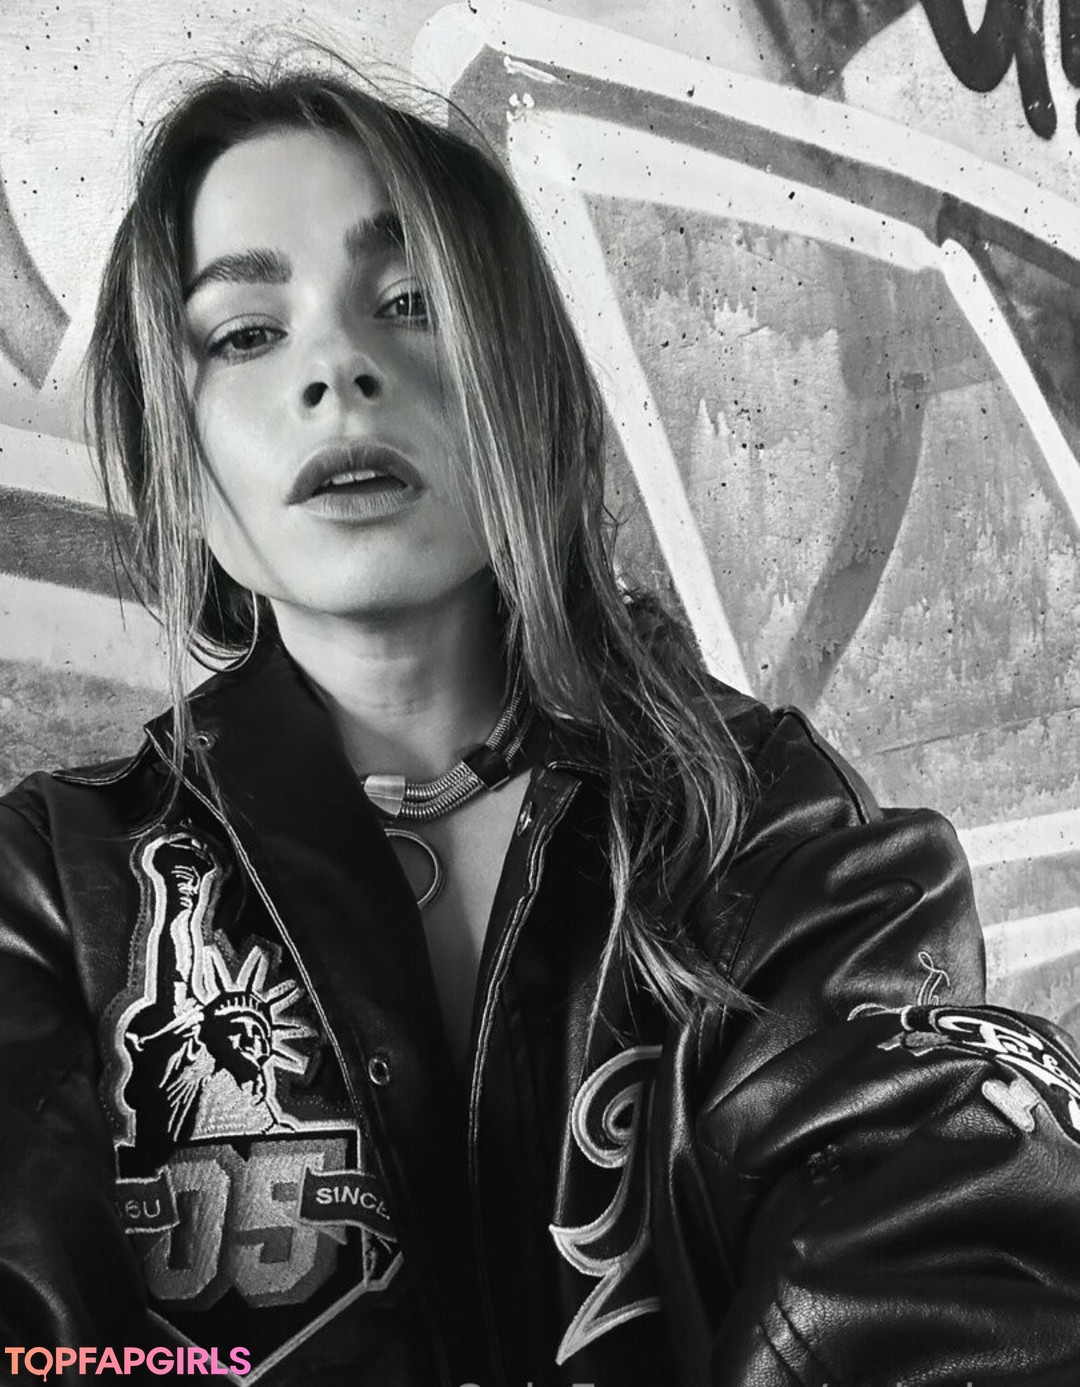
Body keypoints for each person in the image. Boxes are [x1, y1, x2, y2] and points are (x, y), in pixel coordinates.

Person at [1, 50, 1079, 1387]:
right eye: (245, 334)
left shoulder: (764, 830)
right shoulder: (54, 894)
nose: (337, 368)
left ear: (523, 383)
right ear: (180, 449)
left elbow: (936, 1274)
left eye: (409, 303)